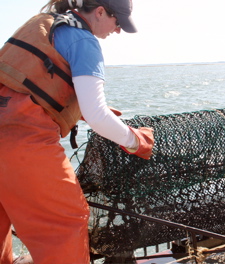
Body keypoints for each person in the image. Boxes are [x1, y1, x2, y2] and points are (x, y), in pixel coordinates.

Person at [0, 0, 154, 263]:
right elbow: (98, 117)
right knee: (66, 222)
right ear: (100, 12)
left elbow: (22, 88)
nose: (117, 31)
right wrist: (136, 141)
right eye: (118, 22)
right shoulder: (84, 41)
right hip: (24, 147)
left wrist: (74, 108)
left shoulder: (43, 24)